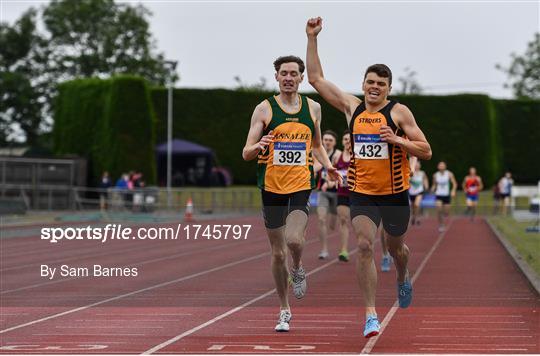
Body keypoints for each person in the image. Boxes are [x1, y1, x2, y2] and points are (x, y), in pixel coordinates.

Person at [306, 17, 432, 338]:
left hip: (394, 194)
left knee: (396, 248)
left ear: (389, 89)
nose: (374, 87)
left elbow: (426, 150)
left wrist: (398, 140)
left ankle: (403, 275)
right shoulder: (353, 109)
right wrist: (312, 38)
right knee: (364, 246)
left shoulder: (399, 113)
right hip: (362, 192)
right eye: (370, 82)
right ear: (363, 84)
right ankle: (371, 315)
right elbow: (317, 79)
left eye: (381, 84)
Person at [242, 55, 341, 333]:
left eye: (293, 73)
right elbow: (246, 152)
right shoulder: (264, 110)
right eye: (283, 73)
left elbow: (317, 145)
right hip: (271, 187)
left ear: (300, 78)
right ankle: (284, 309)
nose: (288, 77)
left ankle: (298, 267)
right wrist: (260, 145)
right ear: (276, 77)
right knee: (276, 253)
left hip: (300, 184)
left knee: (294, 240)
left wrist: (329, 166)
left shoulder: (314, 109)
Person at [314, 130, 341, 259]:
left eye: (330, 140)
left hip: (337, 192)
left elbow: (344, 173)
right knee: (321, 219)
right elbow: (314, 169)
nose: (327, 142)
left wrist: (330, 183)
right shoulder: (317, 154)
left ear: (335, 142)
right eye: (325, 140)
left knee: (333, 224)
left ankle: (342, 248)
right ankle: (324, 250)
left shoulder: (339, 155)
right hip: (323, 192)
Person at [335, 130, 352, 262]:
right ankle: (344, 250)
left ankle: (363, 246)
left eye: (349, 139)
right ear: (342, 142)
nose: (347, 141)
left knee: (358, 224)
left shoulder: (358, 156)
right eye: (345, 139)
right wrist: (334, 181)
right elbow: (333, 173)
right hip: (342, 193)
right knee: (343, 220)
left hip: (357, 194)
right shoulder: (337, 157)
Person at [431, 161, 457, 232]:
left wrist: (453, 190)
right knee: (439, 210)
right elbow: (434, 184)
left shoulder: (449, 174)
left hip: (446, 195)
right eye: (440, 165)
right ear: (438, 167)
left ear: (445, 166)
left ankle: (443, 216)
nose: (441, 166)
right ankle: (441, 225)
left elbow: (454, 183)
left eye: (443, 165)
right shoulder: (435, 175)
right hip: (438, 194)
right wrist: (432, 188)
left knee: (446, 212)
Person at [408, 157, 429, 225]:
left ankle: (417, 218)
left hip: (419, 191)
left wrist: (426, 186)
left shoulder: (422, 173)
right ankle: (414, 217)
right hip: (411, 192)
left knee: (417, 205)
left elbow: (425, 180)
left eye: (418, 164)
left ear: (420, 166)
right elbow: (406, 181)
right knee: (413, 206)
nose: (417, 166)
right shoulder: (410, 172)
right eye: (415, 164)